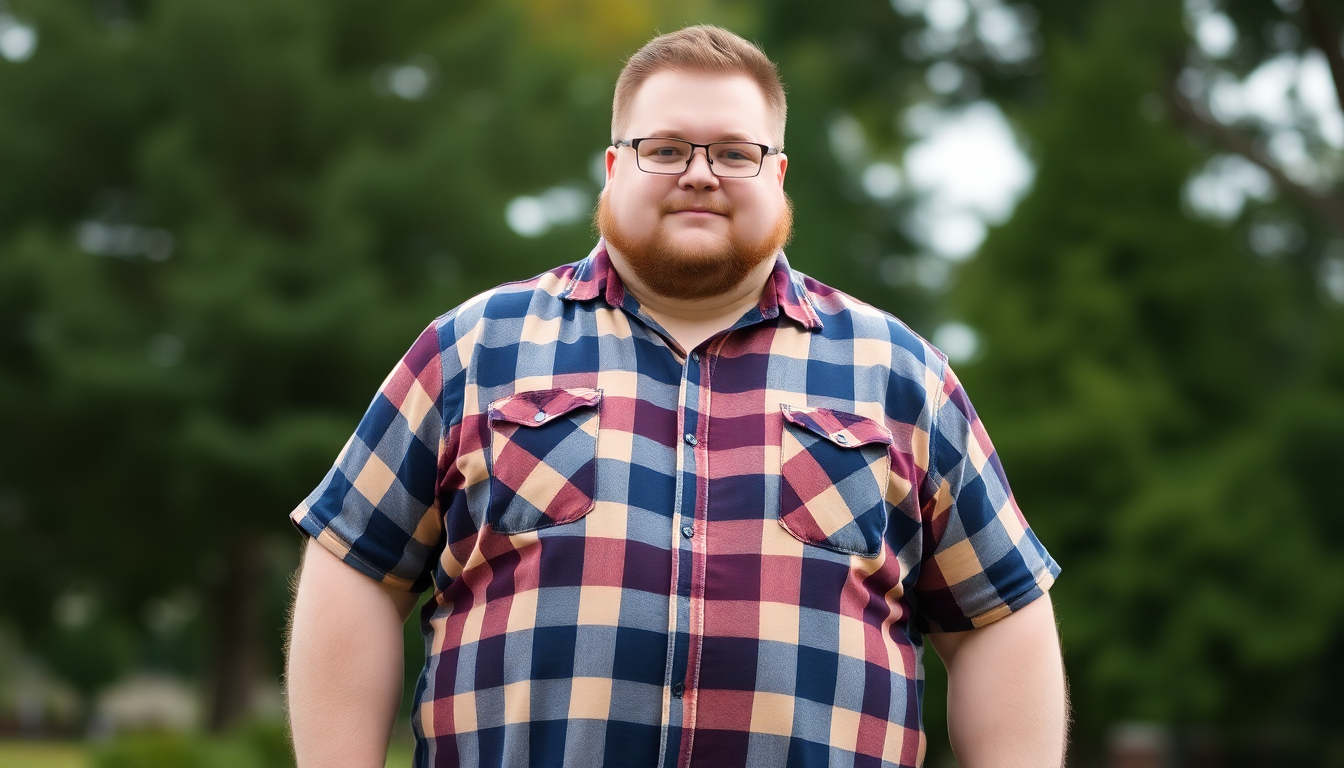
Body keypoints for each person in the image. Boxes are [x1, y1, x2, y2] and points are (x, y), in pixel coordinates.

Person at [286, 24, 1065, 768]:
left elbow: (998, 618)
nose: (700, 172)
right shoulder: (474, 348)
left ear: (779, 173)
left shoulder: (903, 375)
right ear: (613, 165)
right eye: (664, 149)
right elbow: (356, 568)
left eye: (734, 152)